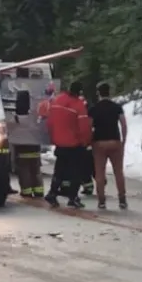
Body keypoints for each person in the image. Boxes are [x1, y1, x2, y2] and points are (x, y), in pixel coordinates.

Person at [44, 80, 91, 208]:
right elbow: (84, 127)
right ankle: (73, 197)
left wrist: (53, 137)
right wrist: (85, 141)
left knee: (59, 170)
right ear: (79, 92)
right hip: (74, 144)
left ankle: (52, 193)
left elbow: (50, 122)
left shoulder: (57, 101)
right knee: (76, 172)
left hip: (60, 143)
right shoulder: (78, 104)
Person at [90, 82, 127, 209]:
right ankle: (122, 199)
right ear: (109, 92)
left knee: (100, 172)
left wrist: (89, 141)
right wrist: (124, 140)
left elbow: (89, 127)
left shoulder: (94, 109)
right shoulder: (117, 107)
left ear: (98, 93)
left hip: (99, 143)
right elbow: (123, 124)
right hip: (115, 142)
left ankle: (101, 200)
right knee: (118, 172)